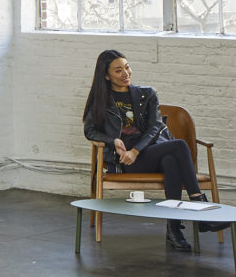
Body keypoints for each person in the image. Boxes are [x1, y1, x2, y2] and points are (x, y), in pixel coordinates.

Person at [82, 49, 227, 251]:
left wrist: (136, 151)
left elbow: (154, 127)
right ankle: (197, 209)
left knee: (171, 159)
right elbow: (89, 131)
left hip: (144, 153)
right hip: (124, 161)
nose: (126, 73)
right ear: (106, 76)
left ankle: (175, 229)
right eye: (118, 71)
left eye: (127, 67)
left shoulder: (146, 94)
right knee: (177, 148)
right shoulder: (101, 101)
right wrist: (113, 140)